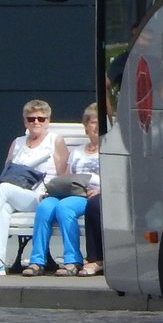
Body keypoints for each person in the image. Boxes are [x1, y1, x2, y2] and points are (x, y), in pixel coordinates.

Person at [22, 103, 101, 277]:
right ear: (86, 126)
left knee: (65, 208)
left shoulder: (108, 150)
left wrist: (102, 189)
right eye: (92, 122)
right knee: (44, 207)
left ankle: (72, 260)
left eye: (99, 122)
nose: (95, 126)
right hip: (69, 191)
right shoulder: (78, 151)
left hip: (87, 194)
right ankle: (37, 261)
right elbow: (66, 176)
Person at [0, 99, 68, 275]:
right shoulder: (18, 142)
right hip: (17, 194)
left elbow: (63, 174)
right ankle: (0, 262)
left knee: (3, 189)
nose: (36, 122)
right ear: (25, 122)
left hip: (41, 197)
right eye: (31, 119)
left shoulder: (55, 141)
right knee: (3, 209)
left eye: (41, 118)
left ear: (48, 121)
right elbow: (8, 170)